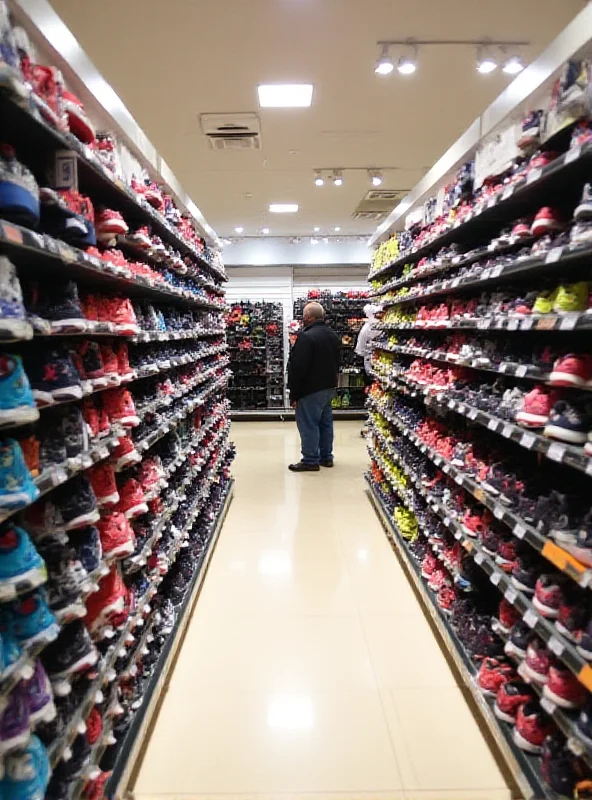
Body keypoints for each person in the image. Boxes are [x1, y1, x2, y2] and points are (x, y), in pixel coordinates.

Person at [287, 302, 340, 472]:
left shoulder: (306, 337)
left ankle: (310, 460)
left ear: (308, 317)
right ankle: (326, 457)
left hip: (310, 390)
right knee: (325, 424)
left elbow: (298, 367)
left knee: (308, 424)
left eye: (304, 316)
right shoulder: (333, 335)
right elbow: (339, 361)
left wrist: (294, 394)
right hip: (329, 387)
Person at [355, 303, 381, 384]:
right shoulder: (366, 329)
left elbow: (360, 349)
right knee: (373, 380)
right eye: (378, 313)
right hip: (371, 359)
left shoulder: (367, 327)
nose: (381, 315)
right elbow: (361, 348)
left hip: (373, 357)